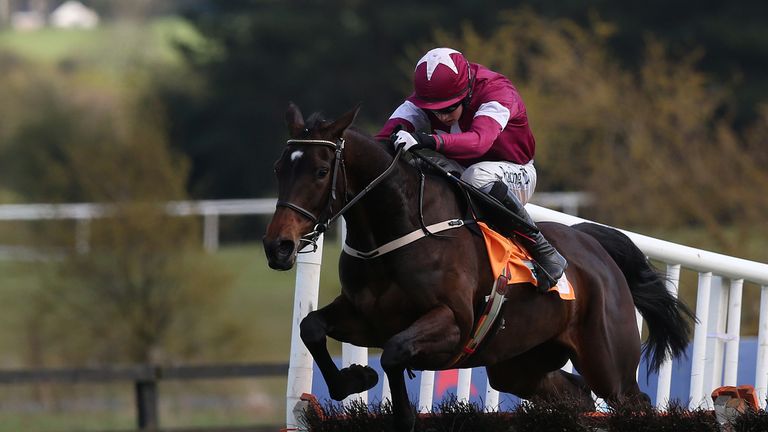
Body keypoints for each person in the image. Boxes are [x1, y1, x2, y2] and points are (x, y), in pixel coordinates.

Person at [375, 47, 566, 291]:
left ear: (465, 93)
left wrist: (427, 140)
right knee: (416, 169)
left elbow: (479, 143)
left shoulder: (497, 92)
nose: (441, 117)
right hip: (462, 169)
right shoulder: (427, 99)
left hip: (516, 171)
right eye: (433, 111)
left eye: (448, 108)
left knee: (476, 176)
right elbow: (380, 141)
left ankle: (543, 249)